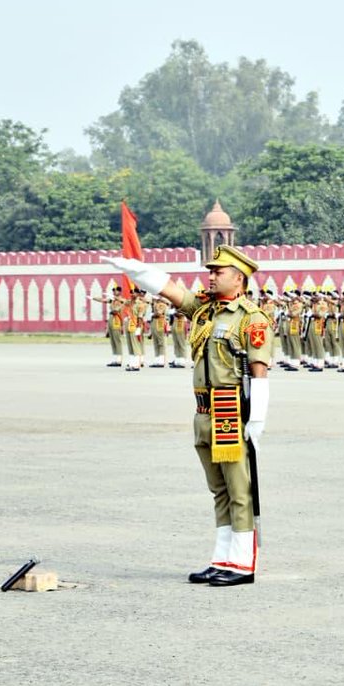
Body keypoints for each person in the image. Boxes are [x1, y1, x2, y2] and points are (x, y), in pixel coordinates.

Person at [103, 245, 272, 587]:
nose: (210, 276)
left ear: (238, 278)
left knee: (239, 489)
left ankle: (242, 564)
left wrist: (257, 418)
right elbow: (172, 291)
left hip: (229, 408)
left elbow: (259, 369)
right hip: (204, 410)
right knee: (219, 490)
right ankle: (222, 558)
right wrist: (137, 271)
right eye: (210, 271)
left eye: (218, 272)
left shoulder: (251, 317)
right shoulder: (205, 310)